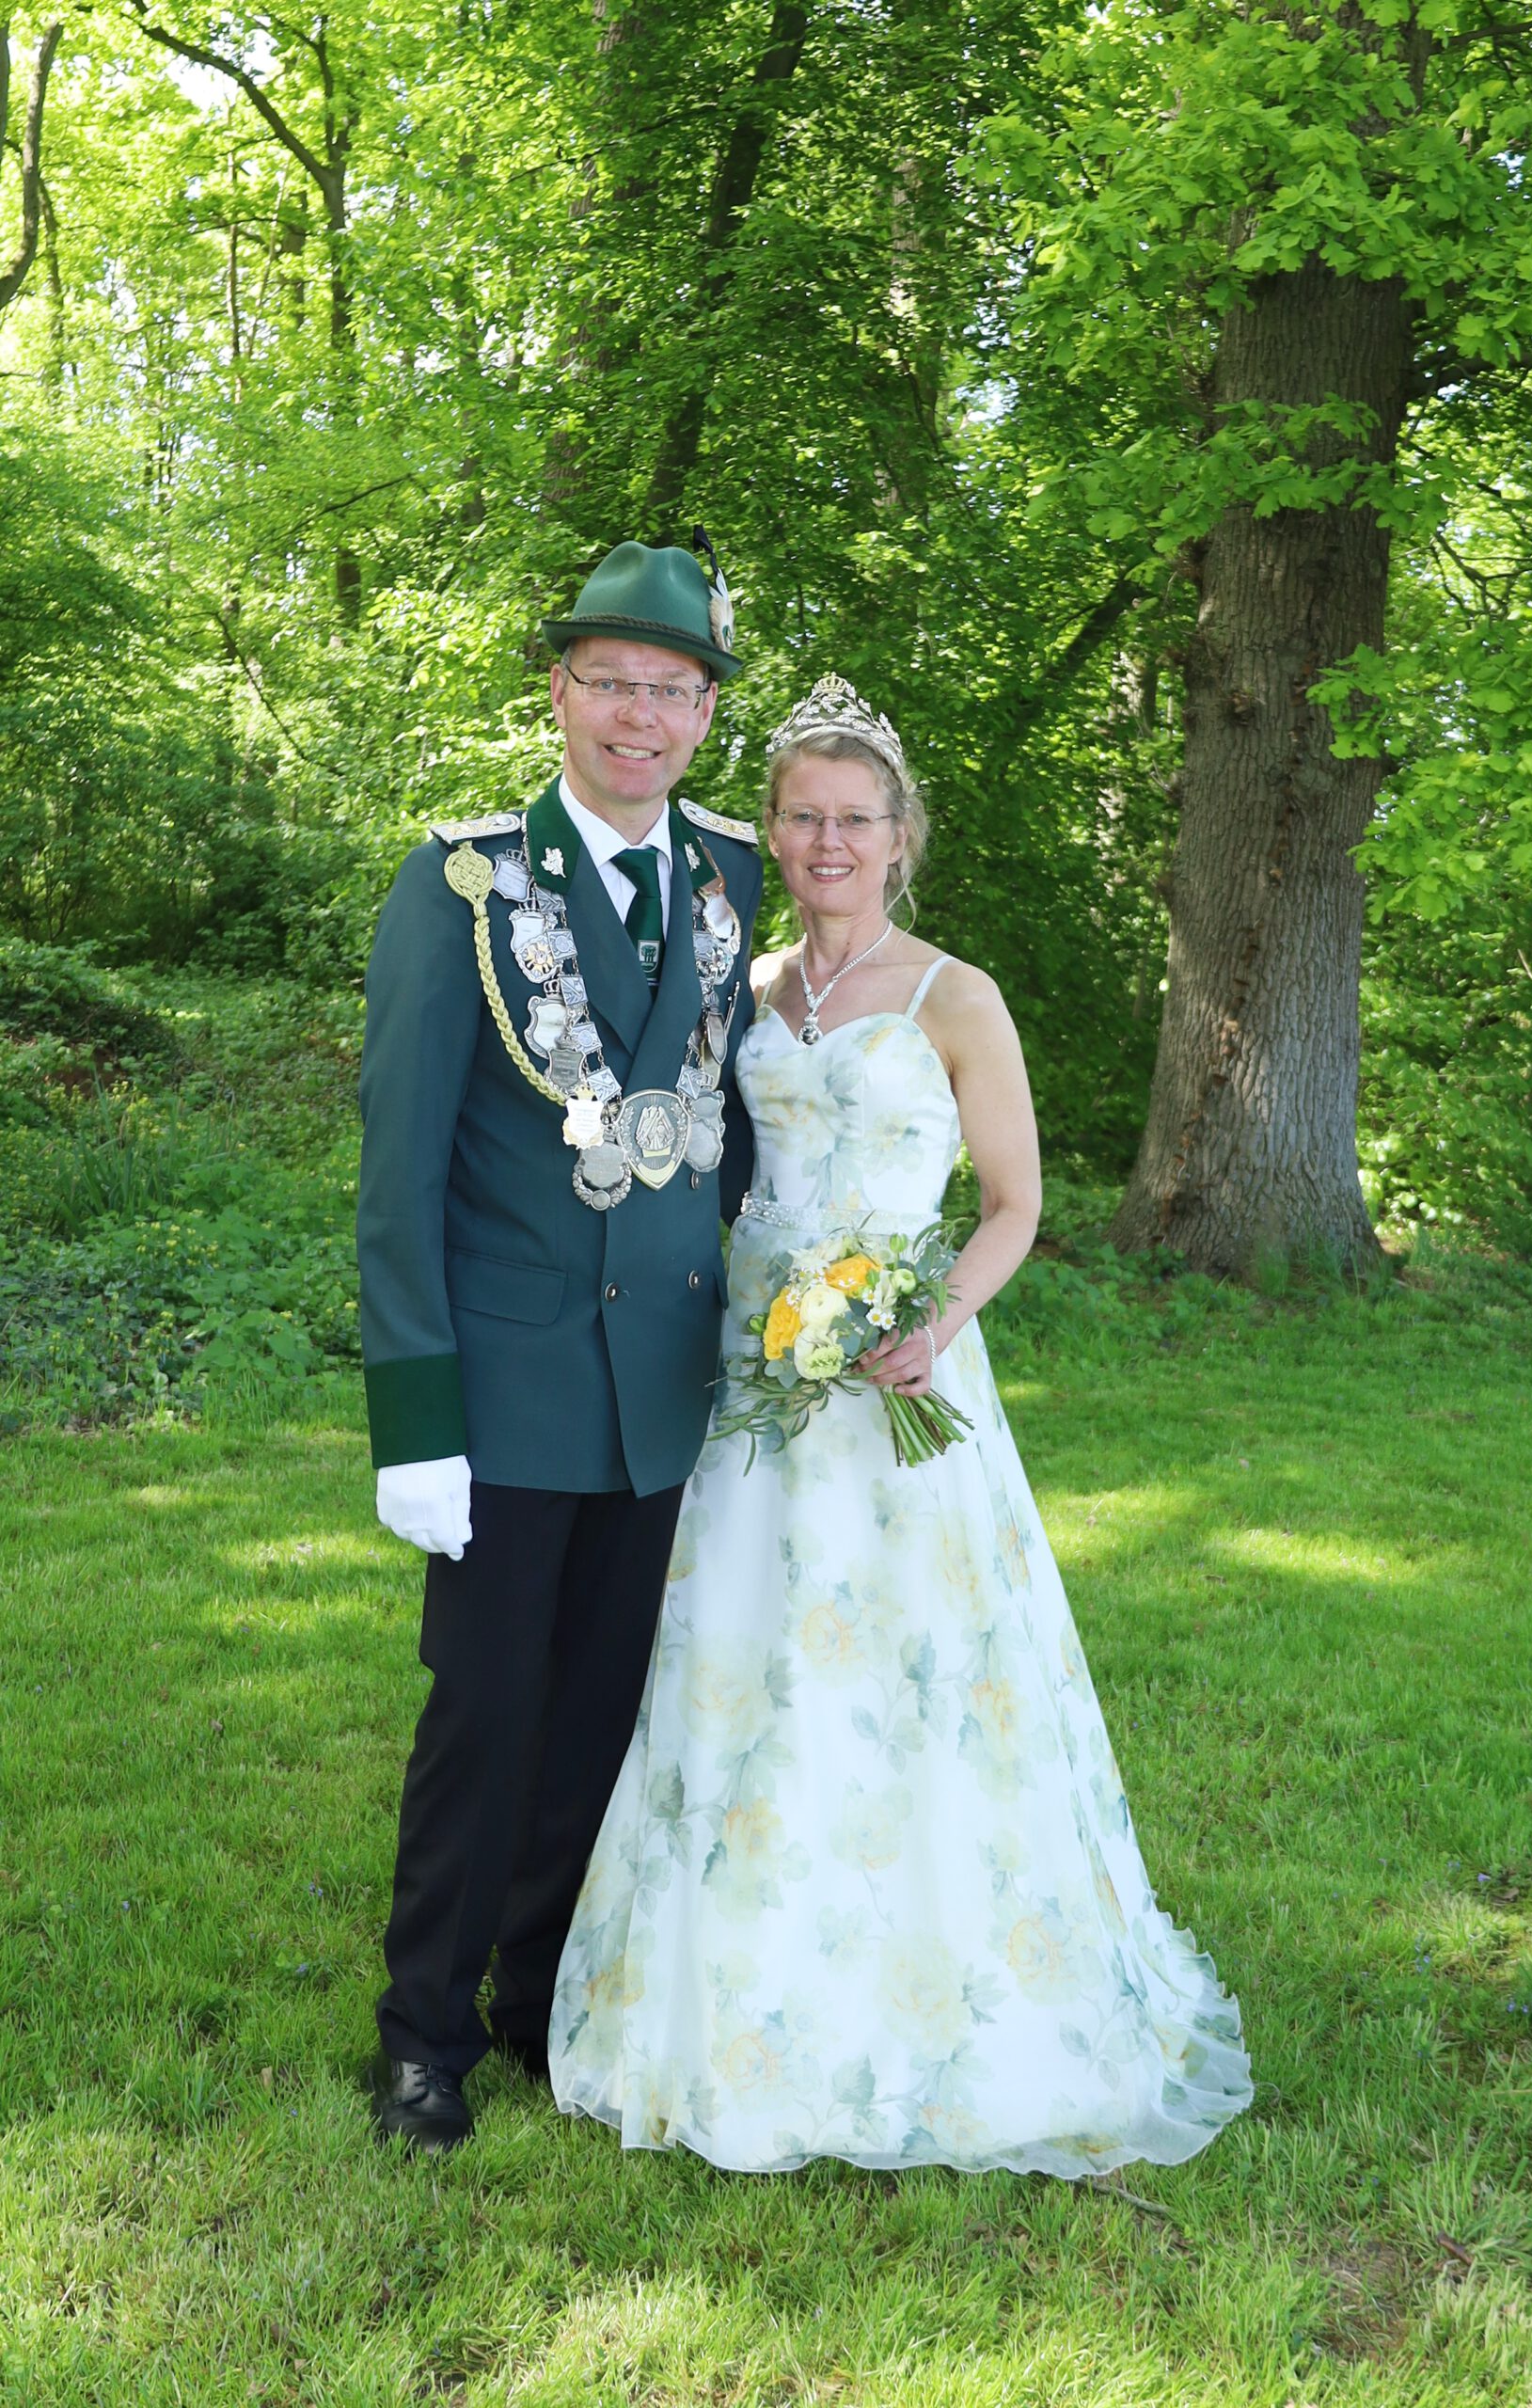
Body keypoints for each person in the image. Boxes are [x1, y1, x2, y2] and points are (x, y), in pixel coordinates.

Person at [548, 673, 1253, 2177]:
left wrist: (930, 1323)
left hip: (904, 1382)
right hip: (751, 1386)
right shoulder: (739, 990)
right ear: (773, 831)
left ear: (901, 835)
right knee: (740, 1659)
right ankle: (728, 1979)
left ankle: (947, 1983)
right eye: (802, 817)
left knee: (917, 1670)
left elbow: (1014, 1206)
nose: (828, 842)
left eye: (855, 819)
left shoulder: (955, 998)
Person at [357, 536, 763, 2151]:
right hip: (511, 1389)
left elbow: (729, 1130)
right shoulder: (462, 883)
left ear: (706, 714)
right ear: (561, 693)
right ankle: (422, 2034)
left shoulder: (728, 877)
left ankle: (540, 2003)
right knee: (483, 1717)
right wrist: (416, 1421)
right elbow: (400, 1177)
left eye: (671, 690)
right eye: (611, 684)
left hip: (661, 1388)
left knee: (600, 1712)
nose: (639, 718)